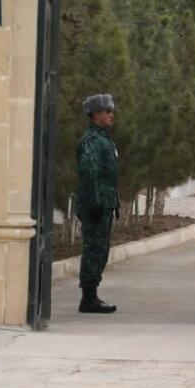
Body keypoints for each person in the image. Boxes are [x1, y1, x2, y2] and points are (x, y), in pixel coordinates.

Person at [76, 93, 119, 314]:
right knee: (94, 249)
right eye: (107, 111)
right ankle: (88, 298)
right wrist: (93, 203)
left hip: (104, 203)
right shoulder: (92, 140)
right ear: (96, 114)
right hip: (96, 204)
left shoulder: (103, 139)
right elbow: (89, 173)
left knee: (100, 250)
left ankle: (91, 295)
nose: (112, 115)